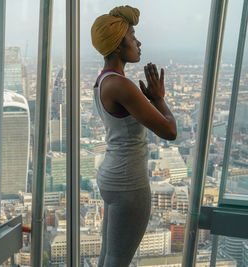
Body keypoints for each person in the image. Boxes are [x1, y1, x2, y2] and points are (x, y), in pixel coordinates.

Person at [90, 5, 177, 267]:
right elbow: (169, 131)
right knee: (117, 260)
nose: (138, 43)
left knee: (108, 255)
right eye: (132, 36)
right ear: (118, 46)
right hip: (129, 183)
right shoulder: (121, 85)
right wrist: (160, 100)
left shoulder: (104, 80)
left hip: (112, 177)